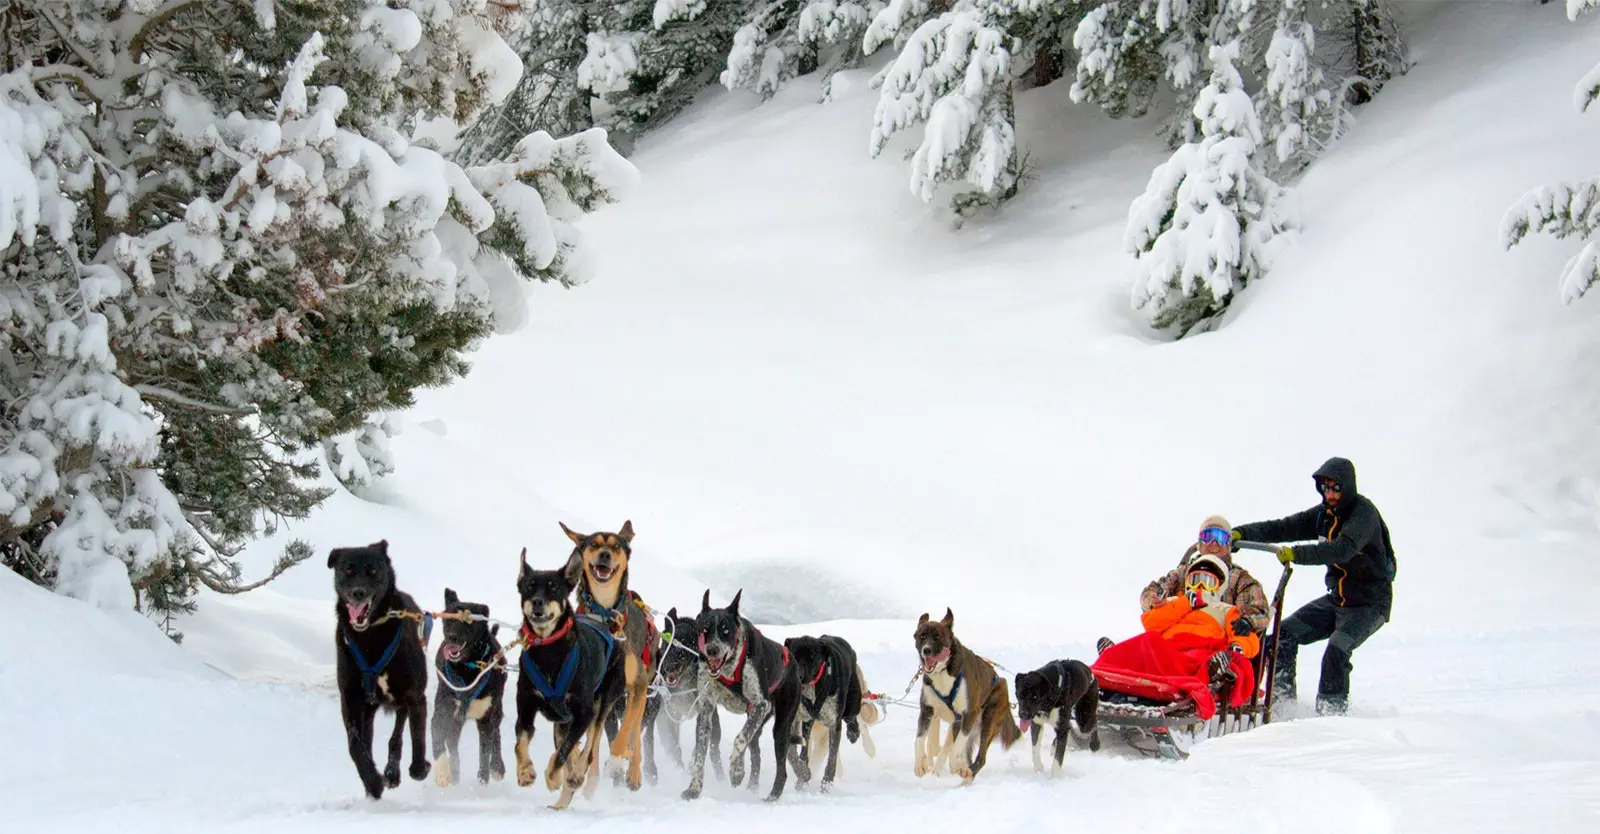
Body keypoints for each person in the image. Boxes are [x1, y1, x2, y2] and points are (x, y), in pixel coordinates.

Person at [1233, 457, 1395, 716]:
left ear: (1348, 487)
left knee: (1337, 648)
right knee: (1283, 635)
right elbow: (1283, 527)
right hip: (1338, 600)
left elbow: (1342, 550)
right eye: (1325, 488)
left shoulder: (1363, 514)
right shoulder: (1323, 515)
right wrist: (1241, 533)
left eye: (1335, 488)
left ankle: (1331, 717)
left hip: (1370, 604)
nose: (1329, 494)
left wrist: (1296, 554)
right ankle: (1282, 705)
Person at [1091, 552, 1261, 720]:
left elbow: (1245, 636)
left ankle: (1212, 670)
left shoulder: (1226, 609)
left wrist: (1240, 646)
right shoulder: (1176, 603)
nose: (1200, 586)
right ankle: (1113, 660)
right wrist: (1186, 603)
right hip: (1167, 648)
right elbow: (1152, 623)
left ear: (1219, 586)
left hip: (1199, 650)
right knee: (1148, 641)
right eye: (1196, 579)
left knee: (1166, 649)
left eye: (1207, 581)